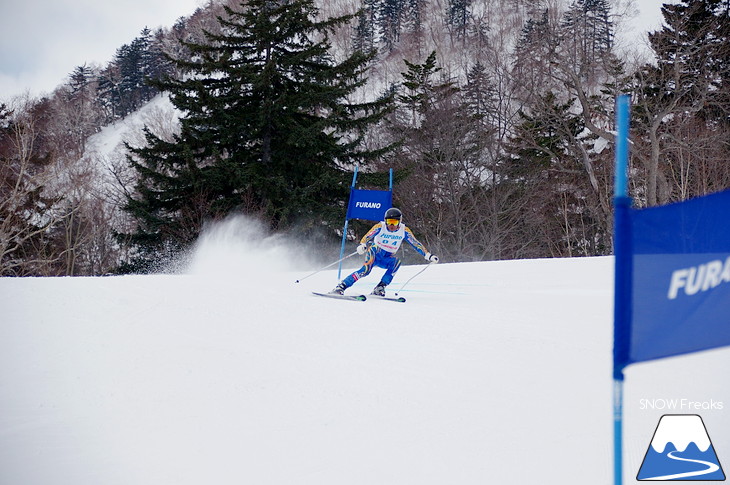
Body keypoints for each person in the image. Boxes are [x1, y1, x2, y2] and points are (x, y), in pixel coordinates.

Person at [331, 207, 439, 296]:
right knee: (366, 270)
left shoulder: (404, 230)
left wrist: (428, 255)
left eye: (395, 222)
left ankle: (380, 287)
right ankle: (341, 286)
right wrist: (362, 245)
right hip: (375, 252)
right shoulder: (380, 226)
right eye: (389, 222)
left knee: (396, 263)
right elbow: (368, 236)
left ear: (399, 221)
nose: (391, 226)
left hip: (387, 257)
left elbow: (415, 243)